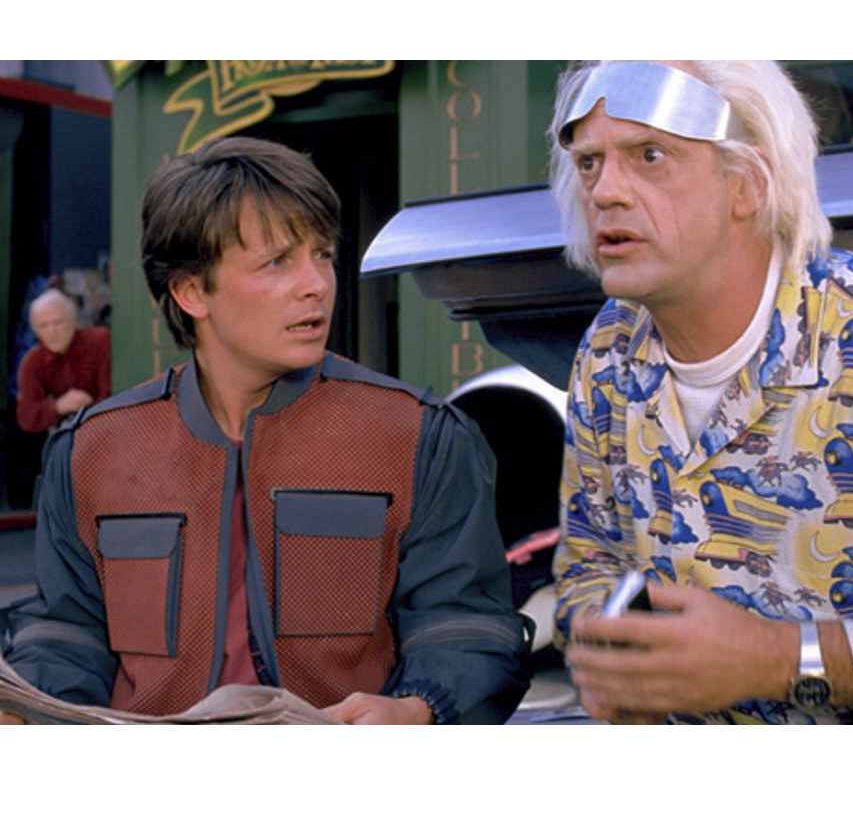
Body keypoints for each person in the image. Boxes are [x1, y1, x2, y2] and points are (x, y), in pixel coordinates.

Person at [0, 136, 531, 725]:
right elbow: (64, 633)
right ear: (191, 290)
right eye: (278, 261)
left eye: (322, 254)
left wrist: (418, 708)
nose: (317, 283)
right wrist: (27, 713)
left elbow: (466, 625)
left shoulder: (419, 439)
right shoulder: (90, 452)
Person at [548, 60, 853, 725]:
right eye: (588, 163)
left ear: (745, 183)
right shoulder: (607, 351)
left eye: (649, 155)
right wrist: (610, 653)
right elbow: (589, 563)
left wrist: (780, 658)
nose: (604, 190)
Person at [15, 287, 111, 434]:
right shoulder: (33, 361)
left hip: (107, 426)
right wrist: (58, 406)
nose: (52, 331)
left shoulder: (100, 341)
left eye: (58, 322)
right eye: (43, 325)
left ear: (72, 320)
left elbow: (111, 394)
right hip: (67, 433)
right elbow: (26, 417)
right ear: (36, 331)